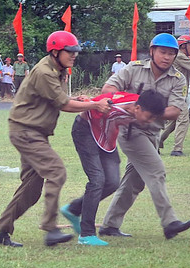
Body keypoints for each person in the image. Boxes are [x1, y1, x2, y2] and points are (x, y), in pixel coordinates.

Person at [0, 31, 111, 248]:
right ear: (55, 52)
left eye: (75, 52)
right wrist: (93, 105)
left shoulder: (57, 70)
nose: (74, 56)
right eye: (69, 52)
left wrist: (76, 99)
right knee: (56, 172)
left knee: (32, 190)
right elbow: (64, 105)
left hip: (34, 132)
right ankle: (50, 228)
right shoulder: (45, 71)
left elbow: (59, 100)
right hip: (26, 132)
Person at [98, 33, 190, 240]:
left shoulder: (177, 79)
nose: (166, 57)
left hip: (153, 133)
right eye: (162, 52)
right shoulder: (134, 68)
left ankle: (109, 225)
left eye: (171, 54)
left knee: (135, 181)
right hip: (130, 130)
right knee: (156, 170)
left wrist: (148, 113)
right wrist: (128, 104)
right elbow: (109, 88)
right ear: (152, 51)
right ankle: (169, 222)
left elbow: (175, 110)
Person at [60, 90, 167, 246]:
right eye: (149, 117)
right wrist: (90, 103)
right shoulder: (112, 106)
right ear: (138, 109)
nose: (150, 121)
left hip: (106, 137)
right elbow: (92, 104)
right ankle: (87, 234)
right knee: (97, 180)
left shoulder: (138, 105)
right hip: (85, 131)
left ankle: (73, 209)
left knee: (112, 182)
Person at [158, 35, 190, 156]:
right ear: (183, 46)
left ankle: (157, 142)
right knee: (183, 119)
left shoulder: (183, 59)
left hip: (173, 93)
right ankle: (177, 149)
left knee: (173, 120)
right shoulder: (180, 56)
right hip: (174, 94)